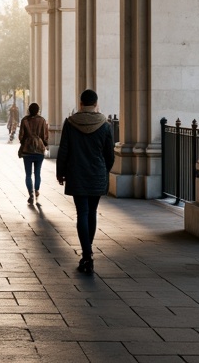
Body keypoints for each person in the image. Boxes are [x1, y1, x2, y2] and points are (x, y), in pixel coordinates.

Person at [55, 89, 115, 275]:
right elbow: (110, 155)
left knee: (82, 213)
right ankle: (88, 252)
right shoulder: (105, 125)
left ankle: (86, 255)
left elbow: (63, 150)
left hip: (77, 173)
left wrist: (60, 172)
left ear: (80, 103)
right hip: (97, 174)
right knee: (92, 212)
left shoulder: (70, 123)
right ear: (96, 103)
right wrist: (104, 171)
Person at [18, 102, 49, 205]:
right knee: (37, 173)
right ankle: (36, 191)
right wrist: (44, 144)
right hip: (39, 150)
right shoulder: (42, 120)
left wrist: (24, 143)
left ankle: (30, 194)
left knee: (28, 174)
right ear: (38, 110)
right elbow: (45, 136)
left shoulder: (24, 120)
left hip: (27, 150)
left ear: (29, 110)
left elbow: (21, 136)